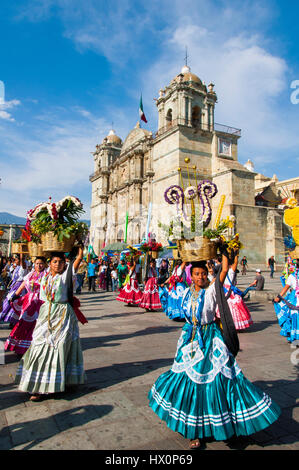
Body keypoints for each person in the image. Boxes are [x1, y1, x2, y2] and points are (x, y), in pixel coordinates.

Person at [148, 252, 281, 449]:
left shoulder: (211, 290)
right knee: (187, 381)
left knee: (219, 380)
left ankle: (229, 424)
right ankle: (193, 431)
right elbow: (174, 286)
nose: (201, 277)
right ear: (191, 276)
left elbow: (225, 270)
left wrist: (226, 252)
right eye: (197, 274)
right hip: (190, 339)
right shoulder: (185, 292)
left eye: (203, 274)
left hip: (211, 339)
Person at [15, 247, 85, 401]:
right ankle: (37, 385)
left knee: (60, 347)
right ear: (50, 263)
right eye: (55, 262)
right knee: (39, 346)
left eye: (60, 262)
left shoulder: (65, 277)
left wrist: (79, 252)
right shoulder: (45, 277)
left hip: (63, 315)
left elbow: (76, 264)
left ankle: (63, 381)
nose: (58, 264)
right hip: (46, 313)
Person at [5, 257, 47, 356]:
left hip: (41, 302)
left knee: (37, 325)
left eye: (41, 263)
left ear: (45, 264)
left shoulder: (47, 275)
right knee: (23, 323)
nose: (39, 265)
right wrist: (15, 296)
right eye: (37, 263)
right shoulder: (31, 274)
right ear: (34, 264)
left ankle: (34, 348)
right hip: (28, 302)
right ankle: (20, 347)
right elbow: (23, 285)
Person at [216, 253, 253, 331]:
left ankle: (229, 326)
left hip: (226, 292)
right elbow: (235, 263)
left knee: (229, 310)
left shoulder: (225, 271)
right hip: (228, 293)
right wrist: (236, 254)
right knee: (232, 310)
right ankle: (231, 326)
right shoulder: (228, 272)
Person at [273, 258, 299, 345]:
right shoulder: (292, 276)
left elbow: (285, 288)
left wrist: (279, 297)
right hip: (295, 299)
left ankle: (294, 337)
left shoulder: (292, 276)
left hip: (294, 300)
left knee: (293, 317)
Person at [0, 254, 28, 326]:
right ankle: (9, 319)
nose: (14, 261)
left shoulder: (23, 267)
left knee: (16, 303)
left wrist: (22, 255)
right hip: (14, 286)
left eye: (16, 260)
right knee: (8, 302)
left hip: (20, 287)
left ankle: (14, 321)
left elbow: (22, 263)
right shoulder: (16, 267)